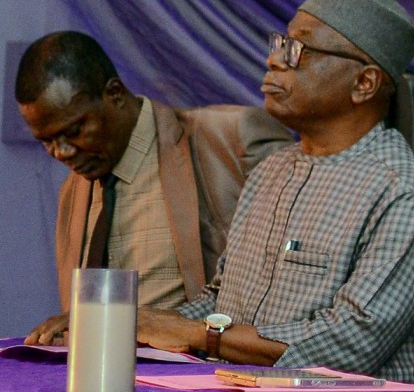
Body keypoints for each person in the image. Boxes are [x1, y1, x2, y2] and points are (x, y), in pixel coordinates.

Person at [29, 0, 414, 381]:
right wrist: (122, 323)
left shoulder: (400, 191)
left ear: (364, 83)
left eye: (298, 50)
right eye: (280, 43)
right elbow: (222, 303)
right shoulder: (272, 171)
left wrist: (199, 334)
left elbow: (353, 344)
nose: (274, 59)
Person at [15, 32, 288, 316]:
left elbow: (297, 281)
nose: (61, 152)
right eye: (46, 141)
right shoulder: (73, 191)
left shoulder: (233, 137)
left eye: (74, 131)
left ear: (115, 94)